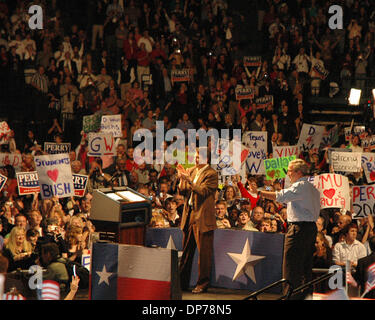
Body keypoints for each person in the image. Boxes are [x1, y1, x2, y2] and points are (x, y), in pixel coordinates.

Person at [259, 159, 320, 300]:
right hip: (310, 229)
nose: (288, 174)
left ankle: (290, 297)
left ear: (299, 172)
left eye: (290, 171)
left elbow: (280, 196)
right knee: (305, 266)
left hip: (299, 229)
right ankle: (305, 297)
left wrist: (260, 192)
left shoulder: (300, 186)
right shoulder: (313, 188)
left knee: (291, 267)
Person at [176, 147, 218, 294]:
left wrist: (189, 180)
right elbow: (183, 191)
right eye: (195, 156)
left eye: (198, 156)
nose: (195, 158)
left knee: (204, 253)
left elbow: (203, 191)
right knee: (186, 251)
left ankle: (202, 283)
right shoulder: (192, 170)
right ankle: (181, 283)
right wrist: (182, 179)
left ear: (207, 158)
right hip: (189, 215)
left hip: (203, 217)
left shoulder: (212, 174)